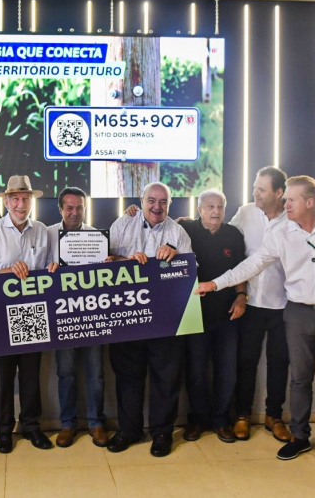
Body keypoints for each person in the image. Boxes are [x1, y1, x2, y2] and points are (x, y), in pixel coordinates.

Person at [197, 175, 315, 465]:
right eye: (285, 199)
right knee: (299, 379)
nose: (285, 204)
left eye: (290, 200)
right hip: (293, 310)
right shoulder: (281, 232)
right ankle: (300, 437)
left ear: (309, 202)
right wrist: (215, 284)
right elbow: (251, 264)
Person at [105, 181, 193, 458]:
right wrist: (126, 260)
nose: (157, 206)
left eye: (163, 202)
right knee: (128, 377)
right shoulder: (122, 225)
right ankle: (129, 430)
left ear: (170, 204)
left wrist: (177, 257)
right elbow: (104, 262)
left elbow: (192, 270)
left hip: (166, 318)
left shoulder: (178, 233)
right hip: (127, 316)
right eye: (151, 200)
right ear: (141, 201)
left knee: (165, 378)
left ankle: (162, 432)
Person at [0, 175, 58, 454]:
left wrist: (53, 267)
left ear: (31, 201)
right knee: (4, 375)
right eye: (15, 198)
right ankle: (3, 430)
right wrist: (7, 271)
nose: (20, 204)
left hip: (33, 310)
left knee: (31, 375)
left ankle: (32, 427)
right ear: (6, 201)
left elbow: (49, 265)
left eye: (25, 198)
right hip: (1, 310)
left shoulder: (43, 231)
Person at [228, 166, 291, 443]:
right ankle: (242, 415)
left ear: (279, 193)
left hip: (284, 305)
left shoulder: (294, 217)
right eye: (255, 187)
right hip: (250, 303)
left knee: (280, 362)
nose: (255, 193)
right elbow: (224, 239)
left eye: (261, 189)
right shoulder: (245, 213)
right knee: (246, 361)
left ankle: (274, 416)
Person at [179, 189, 247, 444]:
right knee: (196, 370)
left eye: (219, 206)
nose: (215, 211)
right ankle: (197, 419)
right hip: (194, 313)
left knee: (226, 370)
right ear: (199, 209)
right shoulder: (186, 230)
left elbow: (242, 270)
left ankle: (220, 420)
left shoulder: (233, 234)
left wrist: (242, 297)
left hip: (228, 313)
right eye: (209, 206)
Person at [46, 186, 108, 448]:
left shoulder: (97, 237)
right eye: (69, 207)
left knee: (96, 373)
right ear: (60, 209)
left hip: (91, 313)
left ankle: (96, 423)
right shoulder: (47, 234)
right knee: (66, 372)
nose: (74, 212)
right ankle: (67, 424)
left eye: (79, 207)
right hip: (61, 315)